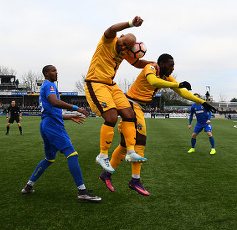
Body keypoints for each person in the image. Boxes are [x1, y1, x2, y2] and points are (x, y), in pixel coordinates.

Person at [99, 53, 217, 196]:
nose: (173, 68)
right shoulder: (150, 68)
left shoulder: (167, 77)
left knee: (124, 145)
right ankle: (135, 181)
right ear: (161, 64)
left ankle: (107, 175)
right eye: (171, 65)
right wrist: (176, 84)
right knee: (140, 142)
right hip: (131, 105)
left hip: (135, 106)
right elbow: (153, 82)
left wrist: (202, 102)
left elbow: (182, 92)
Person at [85, 16, 158, 173]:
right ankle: (103, 155)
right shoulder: (108, 41)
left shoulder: (124, 52)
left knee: (129, 114)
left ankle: (131, 152)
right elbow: (112, 28)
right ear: (121, 36)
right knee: (111, 117)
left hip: (111, 85)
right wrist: (131, 24)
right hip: (96, 82)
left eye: (127, 47)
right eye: (123, 42)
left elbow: (137, 63)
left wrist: (152, 63)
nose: (123, 47)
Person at [21, 65, 101, 202]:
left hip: (46, 124)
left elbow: (51, 110)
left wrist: (70, 117)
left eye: (56, 70)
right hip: (53, 126)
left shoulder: (46, 86)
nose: (56, 72)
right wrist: (77, 108)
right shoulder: (49, 86)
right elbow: (54, 102)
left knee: (49, 159)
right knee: (72, 154)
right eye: (53, 70)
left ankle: (28, 186)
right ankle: (82, 192)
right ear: (47, 73)